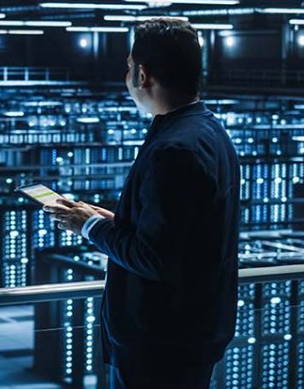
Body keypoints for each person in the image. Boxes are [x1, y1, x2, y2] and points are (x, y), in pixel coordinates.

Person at [44, 19, 240, 389]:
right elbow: (182, 235)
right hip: (191, 334)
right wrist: (112, 220)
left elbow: (154, 258)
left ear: (143, 75)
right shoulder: (208, 132)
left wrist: (88, 226)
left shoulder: (175, 150)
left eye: (129, 66)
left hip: (159, 345)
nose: (127, 75)